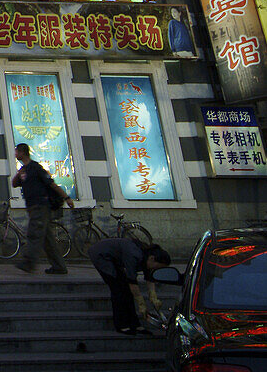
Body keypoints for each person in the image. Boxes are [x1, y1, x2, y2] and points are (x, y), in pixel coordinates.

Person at [10, 143, 73, 274]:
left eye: (17, 152)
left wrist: (67, 197)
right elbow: (14, 184)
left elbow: (52, 184)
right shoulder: (24, 170)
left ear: (23, 152)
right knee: (47, 239)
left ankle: (28, 263)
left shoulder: (36, 168)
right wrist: (19, 173)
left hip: (40, 207)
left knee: (34, 234)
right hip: (33, 208)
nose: (15, 155)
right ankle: (59, 266)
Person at [88, 237, 171, 335]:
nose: (155, 269)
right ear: (152, 258)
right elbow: (132, 282)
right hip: (101, 256)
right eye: (157, 266)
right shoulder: (134, 255)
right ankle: (121, 325)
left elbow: (149, 278)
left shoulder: (147, 257)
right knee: (118, 289)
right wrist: (141, 303)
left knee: (126, 291)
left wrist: (153, 297)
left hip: (114, 258)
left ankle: (135, 324)